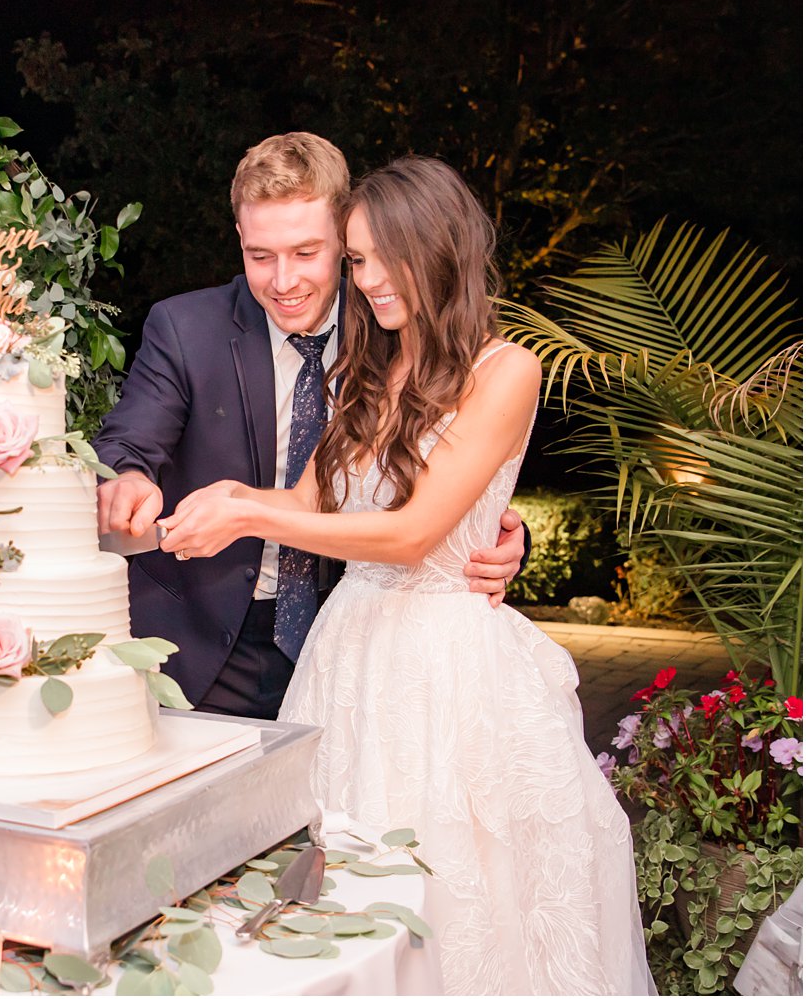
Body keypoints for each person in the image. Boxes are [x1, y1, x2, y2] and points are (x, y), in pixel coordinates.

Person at [159, 156, 653, 994]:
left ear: (443, 247)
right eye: (356, 260)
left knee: (463, 888)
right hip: (348, 654)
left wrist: (246, 511)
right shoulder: (358, 369)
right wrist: (220, 506)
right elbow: (306, 504)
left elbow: (416, 532)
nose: (370, 279)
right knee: (343, 886)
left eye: (386, 255)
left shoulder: (507, 370)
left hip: (453, 666)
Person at [93, 133, 525, 720]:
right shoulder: (185, 327)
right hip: (210, 638)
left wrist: (488, 530)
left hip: (359, 639)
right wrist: (127, 477)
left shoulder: (384, 332)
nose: (283, 280)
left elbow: (436, 497)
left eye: (307, 252)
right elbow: (129, 441)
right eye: (260, 256)